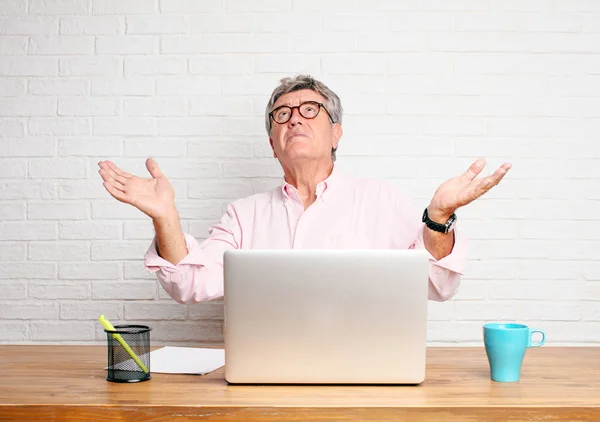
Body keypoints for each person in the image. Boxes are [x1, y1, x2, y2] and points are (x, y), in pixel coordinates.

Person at [98, 74, 511, 304]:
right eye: (282, 114)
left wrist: (437, 219)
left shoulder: (381, 199)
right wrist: (165, 218)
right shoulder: (243, 216)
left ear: (336, 134)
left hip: (367, 372)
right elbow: (191, 284)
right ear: (272, 144)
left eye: (309, 110)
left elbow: (437, 285)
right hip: (265, 377)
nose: (293, 119)